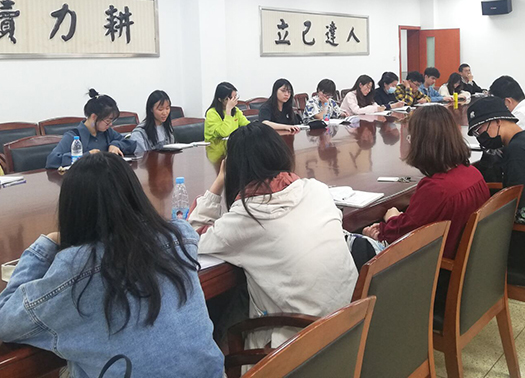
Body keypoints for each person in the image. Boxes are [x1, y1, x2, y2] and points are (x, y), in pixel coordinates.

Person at [0, 153, 224, 378]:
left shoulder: (76, 268)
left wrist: (47, 244)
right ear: (135, 195)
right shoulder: (179, 235)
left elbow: (3, 320)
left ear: (73, 211)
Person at [189, 123, 357, 349]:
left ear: (235, 168)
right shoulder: (316, 188)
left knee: (221, 316)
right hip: (351, 325)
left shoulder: (248, 215)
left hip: (302, 345)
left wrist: (220, 180)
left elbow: (193, 237)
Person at [362, 106, 489, 258]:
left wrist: (390, 220)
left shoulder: (436, 189)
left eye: (410, 138)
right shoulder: (473, 173)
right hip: (471, 259)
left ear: (422, 144)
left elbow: (404, 235)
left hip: (436, 266)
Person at [467, 97, 525, 226]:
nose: (479, 138)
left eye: (478, 131)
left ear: (497, 121)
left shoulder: (517, 153)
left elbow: (524, 214)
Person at [45, 89, 136, 168]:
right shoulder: (73, 136)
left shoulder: (107, 132)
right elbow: (52, 160)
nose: (110, 124)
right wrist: (87, 156)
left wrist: (116, 145)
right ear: (94, 117)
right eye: (108, 121)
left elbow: (131, 144)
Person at [130, 90, 174, 155]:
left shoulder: (167, 128)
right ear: (151, 109)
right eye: (160, 109)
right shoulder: (139, 133)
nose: (165, 113)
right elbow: (139, 158)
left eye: (167, 108)